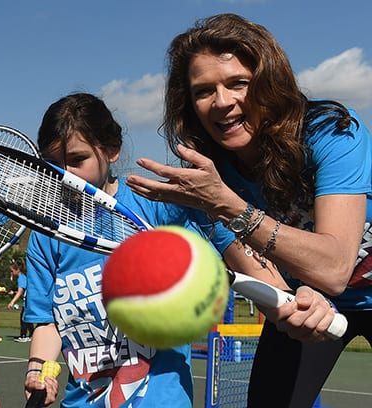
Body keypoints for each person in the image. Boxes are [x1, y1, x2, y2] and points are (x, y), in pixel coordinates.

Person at [125, 13, 371, 407]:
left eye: (238, 83)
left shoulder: (332, 131)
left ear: (269, 84)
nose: (222, 102)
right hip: (313, 297)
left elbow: (334, 267)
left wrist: (228, 205)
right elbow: (263, 277)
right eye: (203, 91)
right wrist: (289, 309)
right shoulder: (210, 179)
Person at [22, 92, 221, 407]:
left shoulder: (151, 203)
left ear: (112, 150)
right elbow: (47, 323)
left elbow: (220, 234)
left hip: (159, 398)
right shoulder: (47, 234)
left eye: (77, 160)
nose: (65, 175)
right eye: (53, 164)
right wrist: (38, 369)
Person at [6, 258, 33, 342]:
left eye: (12, 271)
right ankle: (33, 334)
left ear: (17, 270)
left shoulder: (21, 277)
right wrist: (14, 292)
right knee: (27, 318)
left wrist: (12, 302)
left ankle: (23, 336)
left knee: (23, 318)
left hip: (28, 301)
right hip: (29, 301)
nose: (11, 273)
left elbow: (20, 291)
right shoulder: (23, 277)